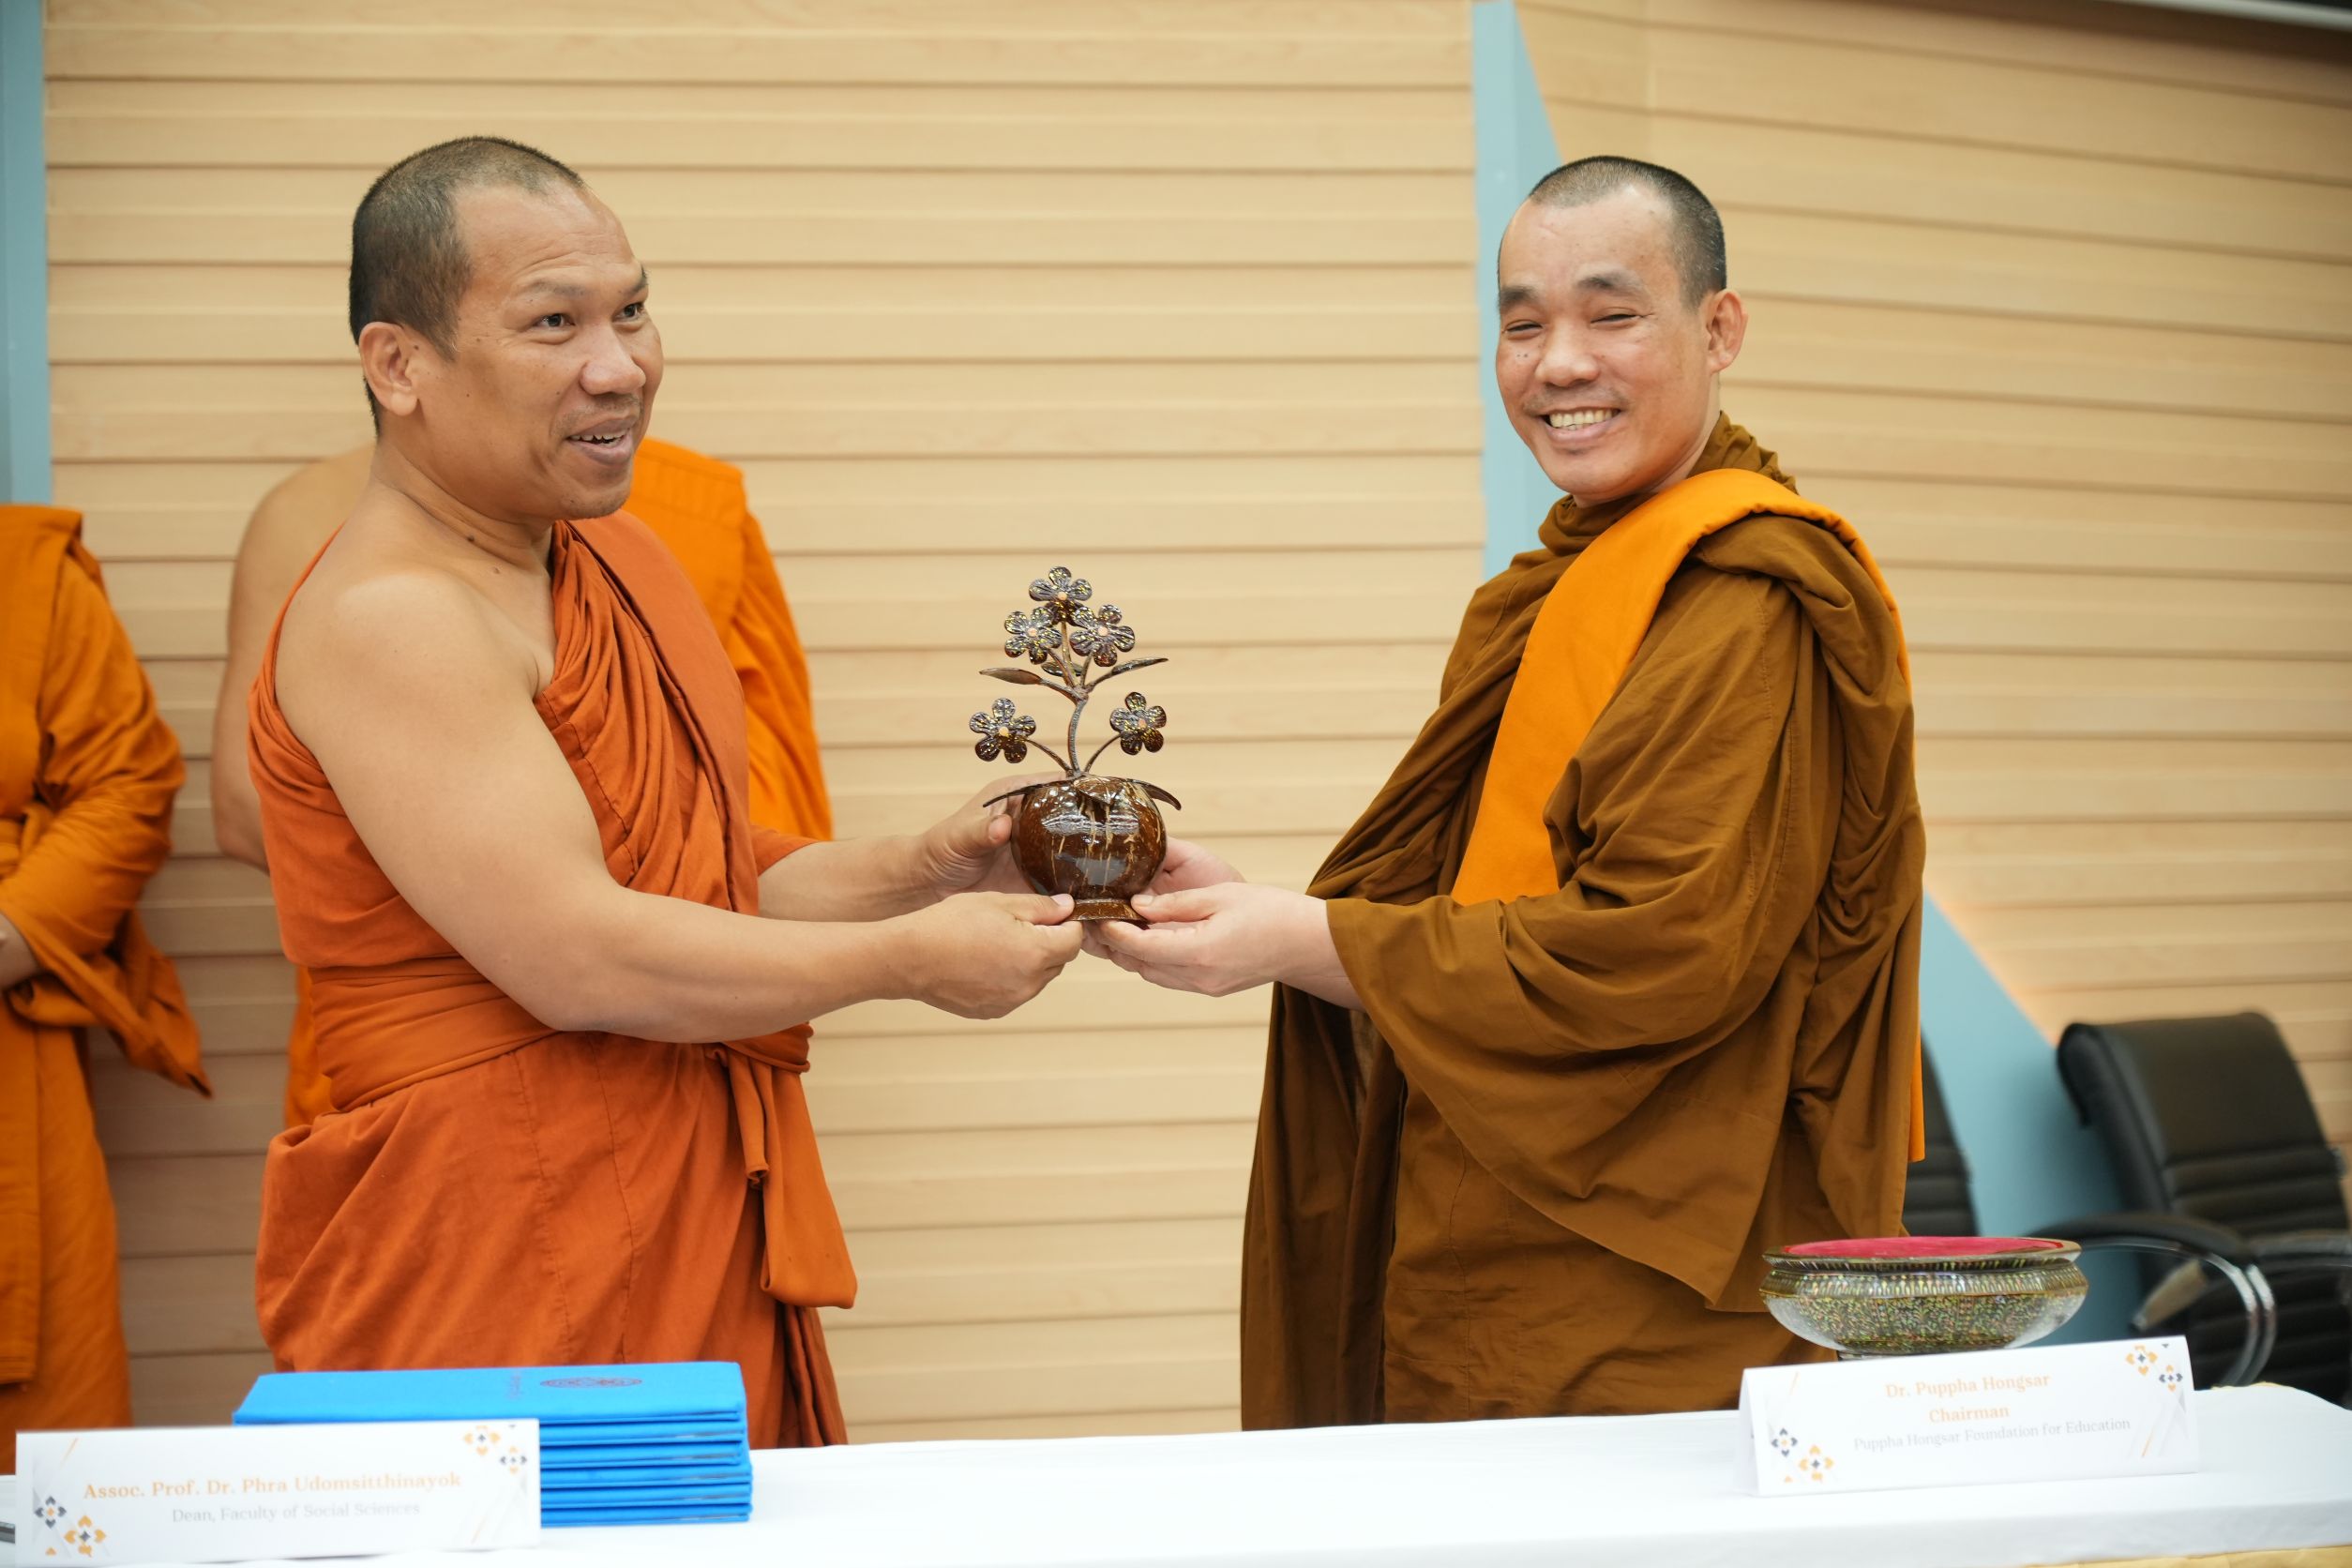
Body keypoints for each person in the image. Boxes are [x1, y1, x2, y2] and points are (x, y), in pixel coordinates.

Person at [249, 136, 1082, 1446]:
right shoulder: (393, 617)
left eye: (631, 310)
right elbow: (579, 954)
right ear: (398, 365)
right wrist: (909, 962)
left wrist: (923, 871)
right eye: (555, 323)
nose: (620, 366)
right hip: (501, 1227)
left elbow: (695, 883)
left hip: (682, 1183)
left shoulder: (615, 561)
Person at [1097, 157, 1926, 1426]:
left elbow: (1662, 951)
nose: (1559, 364)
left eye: (1613, 314)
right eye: (1523, 324)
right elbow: (1493, 896)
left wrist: (1307, 939)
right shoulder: (1563, 585)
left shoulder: (1746, 601)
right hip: (1488, 1218)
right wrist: (1274, 917)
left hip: (1643, 1278)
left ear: (1719, 329)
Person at [213, 435, 831, 1127]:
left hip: (679, 1020)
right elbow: (244, 808)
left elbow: (739, 796)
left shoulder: (663, 525)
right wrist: (509, 911)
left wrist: (608, 909)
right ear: (395, 374)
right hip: (446, 1064)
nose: (611, 380)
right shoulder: (310, 519)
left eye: (629, 333)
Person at [0, 505, 208, 1470]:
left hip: (8, 1026)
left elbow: (127, 781)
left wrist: (12, 931)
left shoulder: (21, 568)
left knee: (37, 1461)